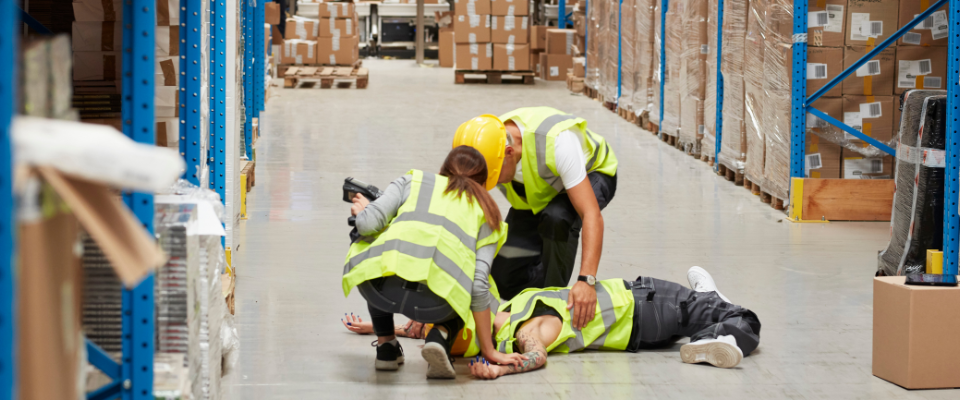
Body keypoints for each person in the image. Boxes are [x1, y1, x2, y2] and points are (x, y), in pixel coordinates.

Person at [341, 146, 526, 379]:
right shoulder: (488, 214)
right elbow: (478, 286)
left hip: (379, 291)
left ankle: (386, 345)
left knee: (377, 250)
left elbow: (367, 225)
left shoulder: (412, 181)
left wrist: (366, 211)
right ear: (482, 182)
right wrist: (489, 351)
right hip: (436, 305)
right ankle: (440, 336)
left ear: (442, 170)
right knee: (481, 285)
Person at [453, 108, 618, 331]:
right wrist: (446, 295)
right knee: (503, 275)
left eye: (491, 177)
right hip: (540, 192)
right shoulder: (486, 143)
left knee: (557, 217)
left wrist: (587, 280)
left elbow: (591, 215)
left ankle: (551, 304)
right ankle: (534, 298)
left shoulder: (557, 143)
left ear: (509, 152)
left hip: (592, 174)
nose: (489, 185)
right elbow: (461, 223)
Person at [467, 267, 761, 379]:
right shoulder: (526, 328)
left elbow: (479, 286)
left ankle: (707, 298)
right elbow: (536, 354)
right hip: (647, 305)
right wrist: (501, 368)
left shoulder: (510, 309)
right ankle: (719, 339)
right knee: (745, 317)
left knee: (706, 306)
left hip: (640, 330)